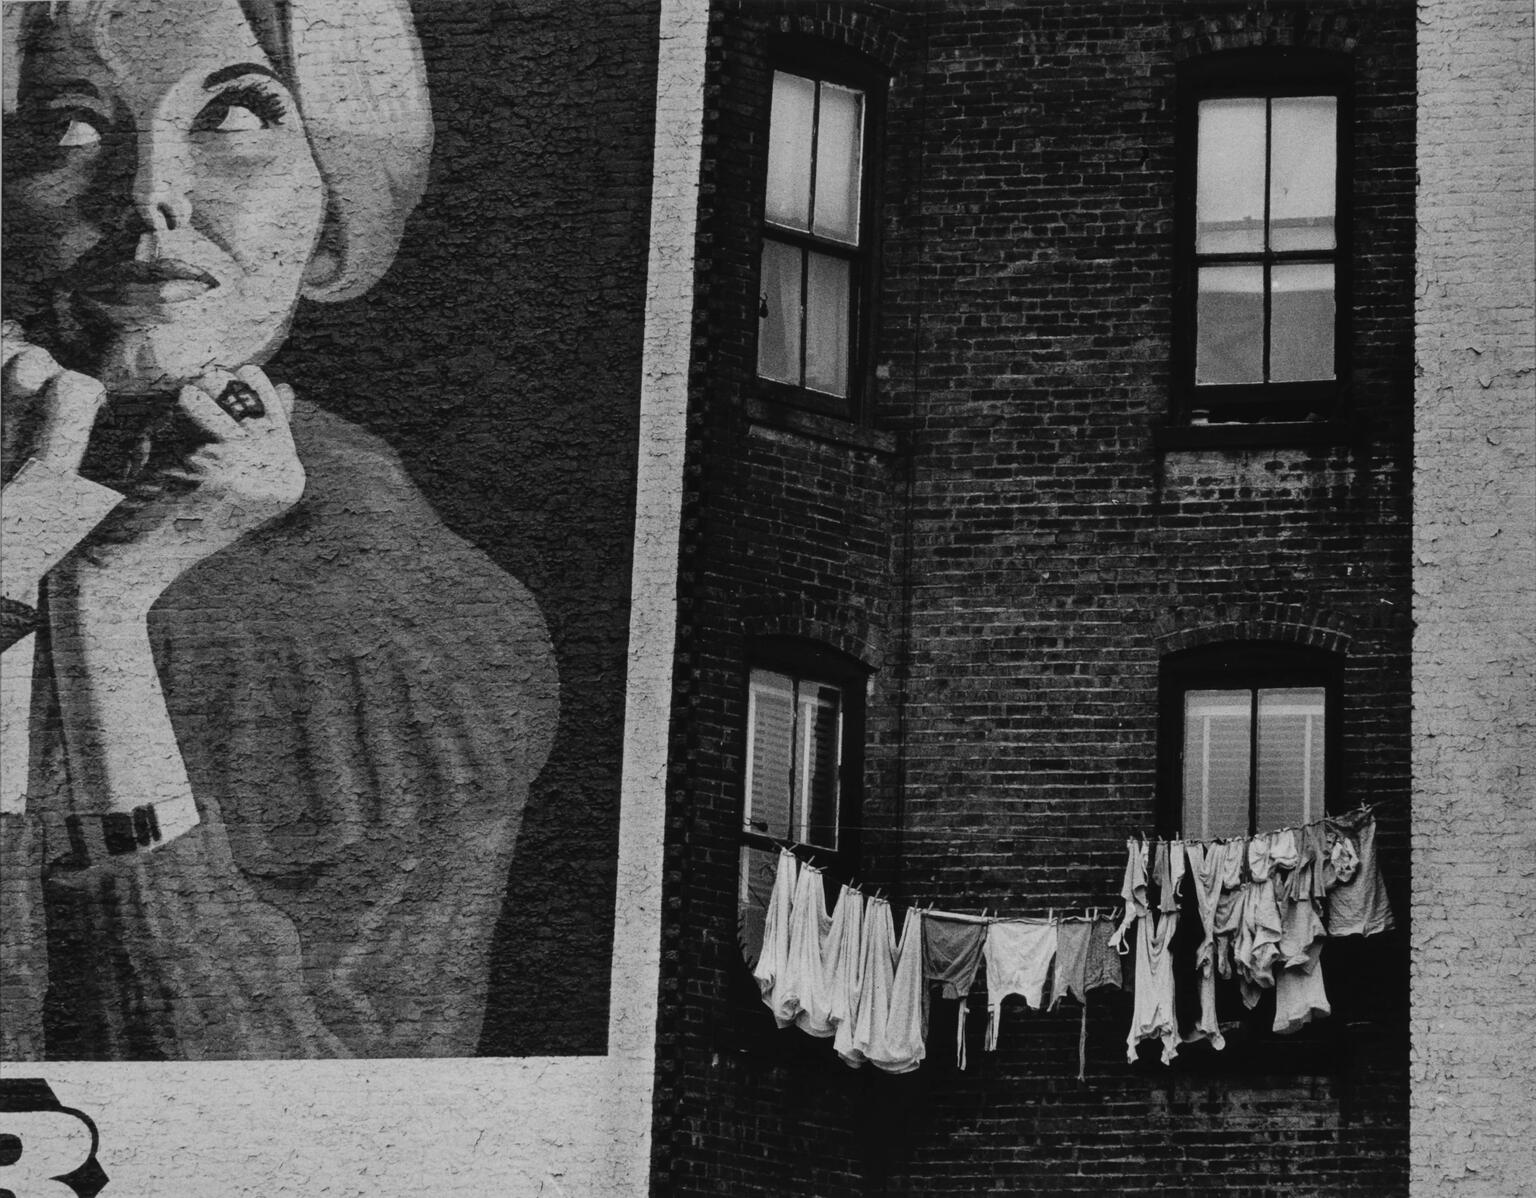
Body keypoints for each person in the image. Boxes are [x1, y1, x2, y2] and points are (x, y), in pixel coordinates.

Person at [0, 0, 559, 1060]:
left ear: (335, 197)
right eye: (68, 129)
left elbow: (298, 1109)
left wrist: (102, 603)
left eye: (240, 119)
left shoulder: (416, 619)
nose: (150, 195)